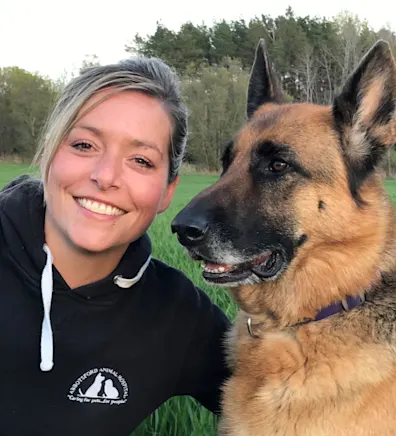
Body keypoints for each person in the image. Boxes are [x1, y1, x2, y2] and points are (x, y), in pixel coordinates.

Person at [0, 56, 232, 435]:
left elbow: (288, 401)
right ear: (48, 153)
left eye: (141, 160)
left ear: (167, 192)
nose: (105, 176)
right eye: (84, 145)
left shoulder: (177, 316)